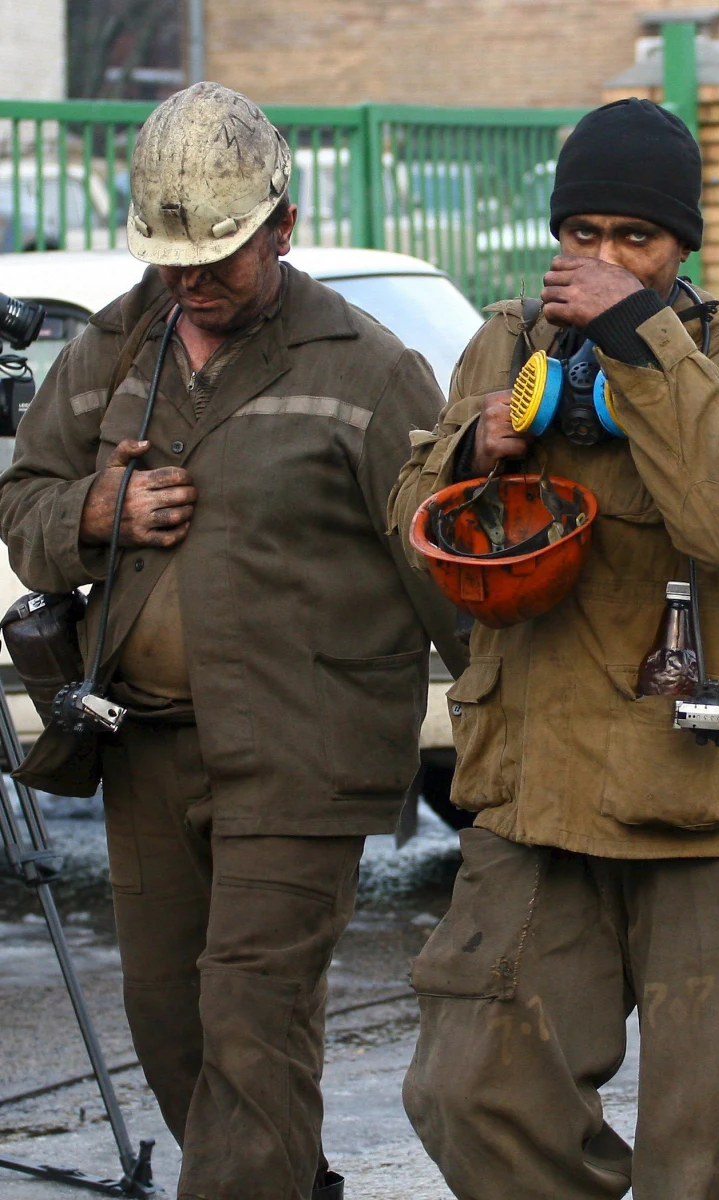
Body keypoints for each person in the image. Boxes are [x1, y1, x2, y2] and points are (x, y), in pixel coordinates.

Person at [0, 82, 466, 1200]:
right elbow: (23, 506)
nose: (191, 283)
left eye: (217, 259)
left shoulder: (368, 367)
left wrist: (510, 748)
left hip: (305, 754)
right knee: (173, 1027)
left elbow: (444, 568)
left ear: (281, 227)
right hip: (146, 747)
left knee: (253, 1023)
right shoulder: (117, 345)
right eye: (171, 261)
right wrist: (92, 514)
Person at [389, 98, 719, 1199]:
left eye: (637, 238)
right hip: (537, 794)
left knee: (702, 1157)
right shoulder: (509, 340)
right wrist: (472, 452)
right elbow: (412, 522)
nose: (607, 259)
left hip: (701, 801)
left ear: (681, 248)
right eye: (584, 234)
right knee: (467, 1089)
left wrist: (640, 341)